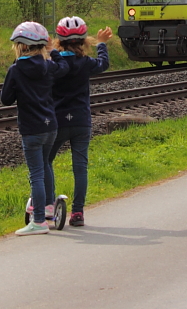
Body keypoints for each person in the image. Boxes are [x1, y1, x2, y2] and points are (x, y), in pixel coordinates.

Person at [0, 20, 69, 236]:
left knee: (36, 173)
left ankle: (38, 220)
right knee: (46, 166)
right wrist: (53, 52)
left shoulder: (16, 70)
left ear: (21, 45)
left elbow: (6, 99)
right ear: (41, 45)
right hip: (51, 126)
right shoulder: (49, 66)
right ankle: (48, 207)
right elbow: (64, 68)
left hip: (31, 128)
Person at [44, 16, 111, 227]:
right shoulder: (85, 63)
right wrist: (102, 44)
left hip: (57, 122)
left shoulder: (53, 63)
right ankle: (78, 212)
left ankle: (48, 206)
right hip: (82, 121)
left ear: (58, 41)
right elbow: (103, 64)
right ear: (83, 41)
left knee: (46, 162)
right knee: (80, 167)